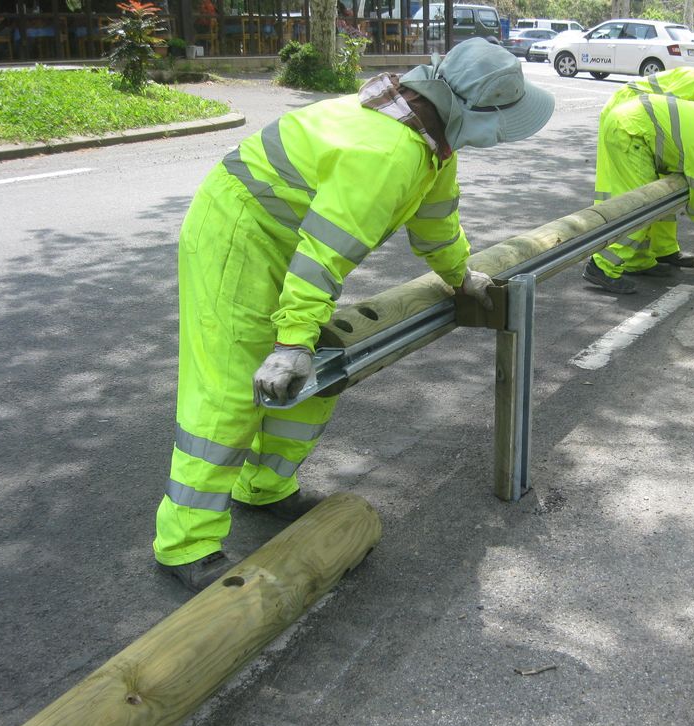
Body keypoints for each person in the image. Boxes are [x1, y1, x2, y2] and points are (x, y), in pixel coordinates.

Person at [154, 38, 555, 592]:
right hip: (239, 234)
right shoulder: (386, 153)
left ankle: (264, 489)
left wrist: (462, 275)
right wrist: (290, 340)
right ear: (471, 110)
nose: (502, 136)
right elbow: (325, 254)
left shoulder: (430, 139)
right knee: (229, 390)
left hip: (286, 241)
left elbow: (436, 223)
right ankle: (186, 543)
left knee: (317, 377)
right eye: (502, 121)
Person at [582, 82, 694, 294]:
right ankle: (601, 266)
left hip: (633, 122)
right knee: (641, 207)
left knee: (653, 205)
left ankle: (637, 261)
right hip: (631, 131)